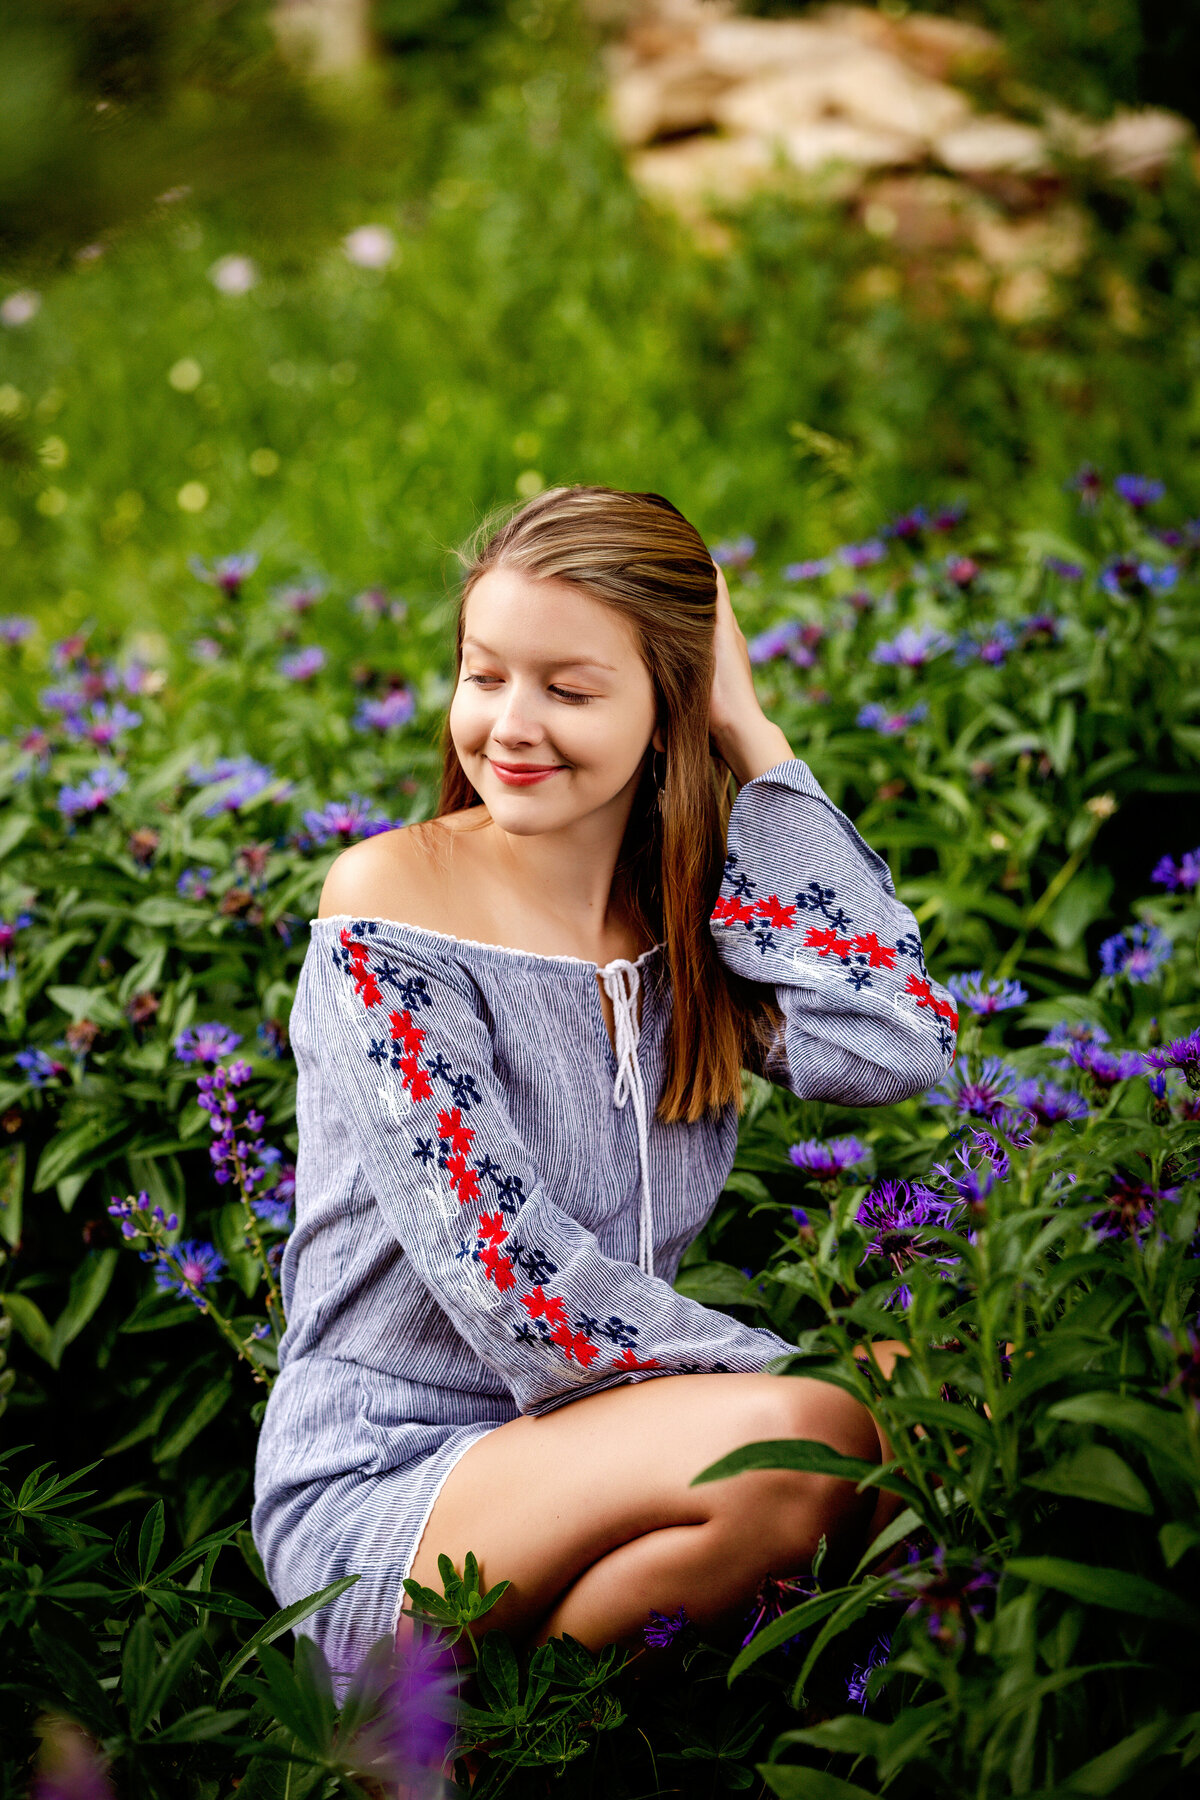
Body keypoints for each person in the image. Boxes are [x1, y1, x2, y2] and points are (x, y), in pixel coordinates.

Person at [251, 486, 957, 1682]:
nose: (511, 726)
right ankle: (445, 1736)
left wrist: (751, 726)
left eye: (569, 690)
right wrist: (796, 1383)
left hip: (609, 1439)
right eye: (485, 676)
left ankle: (501, 1744)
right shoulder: (388, 909)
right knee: (815, 1435)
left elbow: (895, 1042)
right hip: (394, 1481)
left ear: (667, 712)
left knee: (940, 1398)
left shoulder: (681, 922)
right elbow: (517, 1288)